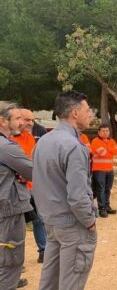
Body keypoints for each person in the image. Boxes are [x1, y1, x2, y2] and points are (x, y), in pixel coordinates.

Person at [32, 91, 97, 290]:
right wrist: (89, 221)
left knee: (49, 282)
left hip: (51, 222)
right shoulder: (74, 147)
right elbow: (78, 196)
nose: (90, 115)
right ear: (75, 113)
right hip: (72, 225)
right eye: (87, 110)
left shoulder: (43, 141)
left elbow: (39, 182)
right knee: (71, 284)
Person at [0, 101, 34, 290]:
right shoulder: (6, 147)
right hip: (8, 210)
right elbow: (34, 171)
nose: (21, 122)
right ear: (3, 121)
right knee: (10, 262)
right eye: (18, 118)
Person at [11, 108, 47, 264]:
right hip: (15, 189)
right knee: (15, 226)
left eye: (32, 120)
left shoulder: (30, 138)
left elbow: (32, 161)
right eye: (27, 120)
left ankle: (43, 251)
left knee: (39, 219)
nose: (30, 123)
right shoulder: (7, 140)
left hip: (32, 186)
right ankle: (14, 260)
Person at [90, 124, 117, 218]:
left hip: (109, 169)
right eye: (103, 131)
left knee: (108, 189)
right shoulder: (95, 141)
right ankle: (102, 209)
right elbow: (102, 153)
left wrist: (108, 149)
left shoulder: (111, 140)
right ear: (99, 132)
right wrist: (111, 149)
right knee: (101, 189)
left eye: (107, 131)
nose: (105, 132)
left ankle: (107, 206)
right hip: (99, 170)